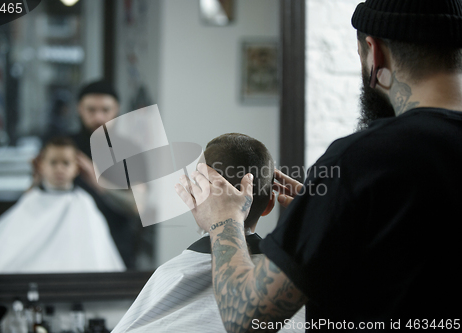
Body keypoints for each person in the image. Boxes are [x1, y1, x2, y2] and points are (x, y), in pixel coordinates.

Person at [175, 1, 462, 332]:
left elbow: (246, 316)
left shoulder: (363, 161)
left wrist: (223, 219)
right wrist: (327, 223)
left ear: (374, 53)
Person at [113, 133, 305, 333]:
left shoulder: (168, 277)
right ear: (270, 205)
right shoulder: (302, 285)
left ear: (196, 199)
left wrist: (223, 218)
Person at [0, 137, 125, 273]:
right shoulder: (30, 201)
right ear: (41, 166)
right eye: (53, 162)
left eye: (66, 163)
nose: (59, 169)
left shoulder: (84, 203)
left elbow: (96, 254)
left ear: (77, 168)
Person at [70, 80, 149, 269]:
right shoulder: (65, 148)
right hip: (69, 241)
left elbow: (137, 206)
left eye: (105, 110)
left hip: (115, 242)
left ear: (117, 109)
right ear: (79, 109)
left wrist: (98, 182)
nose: (98, 117)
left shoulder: (130, 150)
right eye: (91, 110)